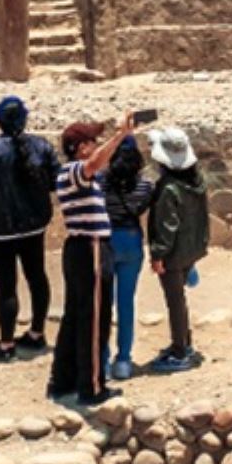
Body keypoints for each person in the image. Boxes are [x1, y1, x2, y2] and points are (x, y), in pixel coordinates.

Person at [50, 116, 134, 406]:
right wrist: (121, 136)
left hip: (80, 249)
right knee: (95, 319)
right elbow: (95, 164)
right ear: (81, 147)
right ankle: (93, 386)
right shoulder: (75, 170)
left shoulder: (69, 174)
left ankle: (63, 380)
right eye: (93, 141)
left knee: (75, 316)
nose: (97, 146)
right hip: (91, 248)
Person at [0, 96, 59, 360]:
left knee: (5, 285)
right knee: (37, 276)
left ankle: (6, 343)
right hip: (34, 225)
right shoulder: (41, 146)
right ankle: (36, 334)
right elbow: (55, 181)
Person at [145, 125, 210, 374]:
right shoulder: (197, 181)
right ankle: (183, 342)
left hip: (173, 255)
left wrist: (158, 254)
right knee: (179, 299)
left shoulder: (169, 188)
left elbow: (167, 226)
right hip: (191, 249)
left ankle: (180, 350)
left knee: (175, 301)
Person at [100, 136, 153, 381]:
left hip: (107, 242)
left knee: (103, 304)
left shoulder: (100, 183)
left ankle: (101, 358)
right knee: (126, 303)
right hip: (132, 241)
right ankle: (123, 359)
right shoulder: (145, 186)